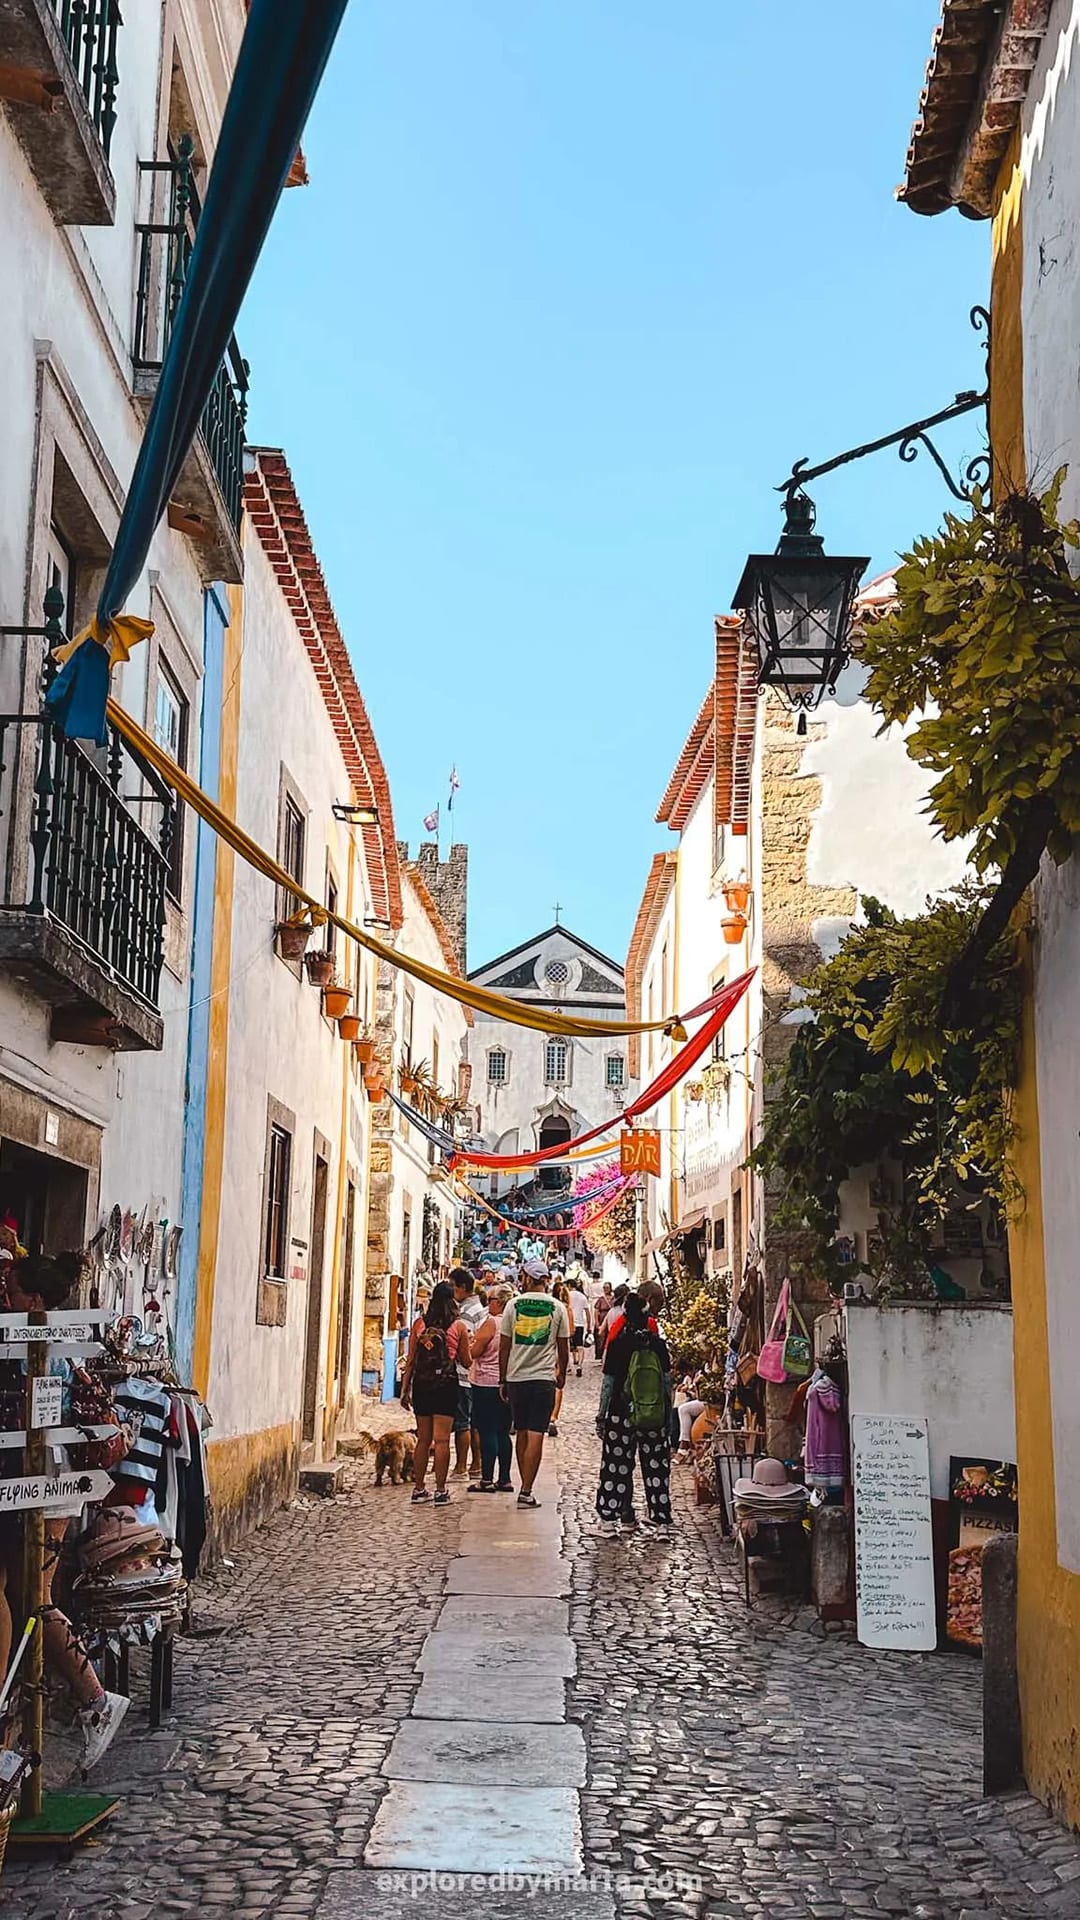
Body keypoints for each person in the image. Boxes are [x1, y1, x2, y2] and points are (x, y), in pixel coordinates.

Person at [0, 1244, 130, 1766]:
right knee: (26, 1591)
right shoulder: (71, 1338)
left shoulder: (37, 1341)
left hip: (45, 1476)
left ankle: (94, 1698)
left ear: (32, 1300)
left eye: (10, 1294)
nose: (4, 1301)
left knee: (33, 1595)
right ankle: (57, 1706)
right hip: (53, 1478)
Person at [594, 1290, 673, 1536]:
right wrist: (666, 1416)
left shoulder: (619, 1344)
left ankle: (608, 1521)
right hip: (653, 1416)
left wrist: (601, 1415)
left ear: (625, 1314)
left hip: (621, 1414)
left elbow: (608, 1384)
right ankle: (661, 1523)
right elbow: (667, 1382)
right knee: (656, 1467)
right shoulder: (658, 1345)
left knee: (616, 1467)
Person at [499, 1260, 569, 1508]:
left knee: (521, 1431)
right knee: (536, 1433)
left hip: (517, 1378)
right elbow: (563, 1345)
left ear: (528, 1278)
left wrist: (502, 1378)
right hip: (543, 1378)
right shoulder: (557, 1307)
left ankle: (524, 1484)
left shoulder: (513, 1305)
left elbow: (504, 1345)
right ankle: (527, 1490)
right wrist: (562, 1372)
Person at [401, 1280, 473, 1506]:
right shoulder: (458, 1327)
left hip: (422, 1384)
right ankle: (441, 1491)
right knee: (442, 1440)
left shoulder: (419, 1325)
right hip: (446, 1385)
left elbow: (411, 1360)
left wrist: (405, 1389)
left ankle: (419, 1488)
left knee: (423, 1439)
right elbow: (466, 1361)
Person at [468, 1283, 514, 1492]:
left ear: (499, 1302)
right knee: (503, 1431)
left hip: (486, 1381)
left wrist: (470, 1343)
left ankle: (486, 1479)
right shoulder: (514, 1322)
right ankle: (504, 1478)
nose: (488, 1304)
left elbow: (475, 1352)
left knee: (487, 1430)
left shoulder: (492, 1323)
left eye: (491, 1300)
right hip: (507, 1382)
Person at [451, 1267, 486, 1478]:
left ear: (463, 1288)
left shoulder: (465, 1313)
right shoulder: (481, 1309)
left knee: (463, 1423)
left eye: (454, 1287)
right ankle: (477, 1464)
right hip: (477, 1373)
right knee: (476, 1422)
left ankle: (461, 1466)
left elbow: (461, 1345)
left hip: (464, 1374)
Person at [549, 1279, 572, 1435]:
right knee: (558, 1385)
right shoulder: (567, 1310)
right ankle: (553, 1417)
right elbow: (571, 1330)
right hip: (561, 1345)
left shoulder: (550, 1308)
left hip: (550, 1346)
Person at [565, 1273, 591, 1379]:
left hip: (568, 1322)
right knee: (579, 1345)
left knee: (567, 1345)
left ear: (569, 1286)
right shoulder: (582, 1296)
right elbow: (587, 1312)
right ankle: (579, 1365)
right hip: (580, 1323)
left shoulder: (567, 1295)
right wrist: (589, 1325)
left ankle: (568, 1366)